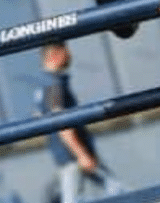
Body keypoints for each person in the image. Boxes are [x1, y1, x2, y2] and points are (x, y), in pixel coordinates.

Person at [36, 41, 123, 203]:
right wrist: (82, 155)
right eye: (66, 49)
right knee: (109, 190)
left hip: (72, 156)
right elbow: (61, 123)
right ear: (56, 54)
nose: (70, 54)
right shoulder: (53, 84)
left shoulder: (46, 84)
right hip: (73, 157)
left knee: (113, 188)